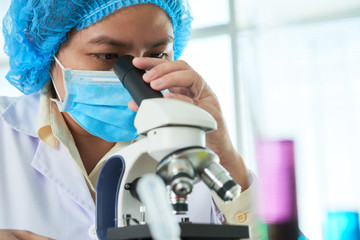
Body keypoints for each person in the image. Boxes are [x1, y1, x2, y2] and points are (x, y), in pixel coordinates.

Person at [0, 0, 256, 239]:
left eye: (156, 55)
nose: (137, 76)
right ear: (48, 51)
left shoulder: (189, 149)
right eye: (108, 55)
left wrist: (226, 155)